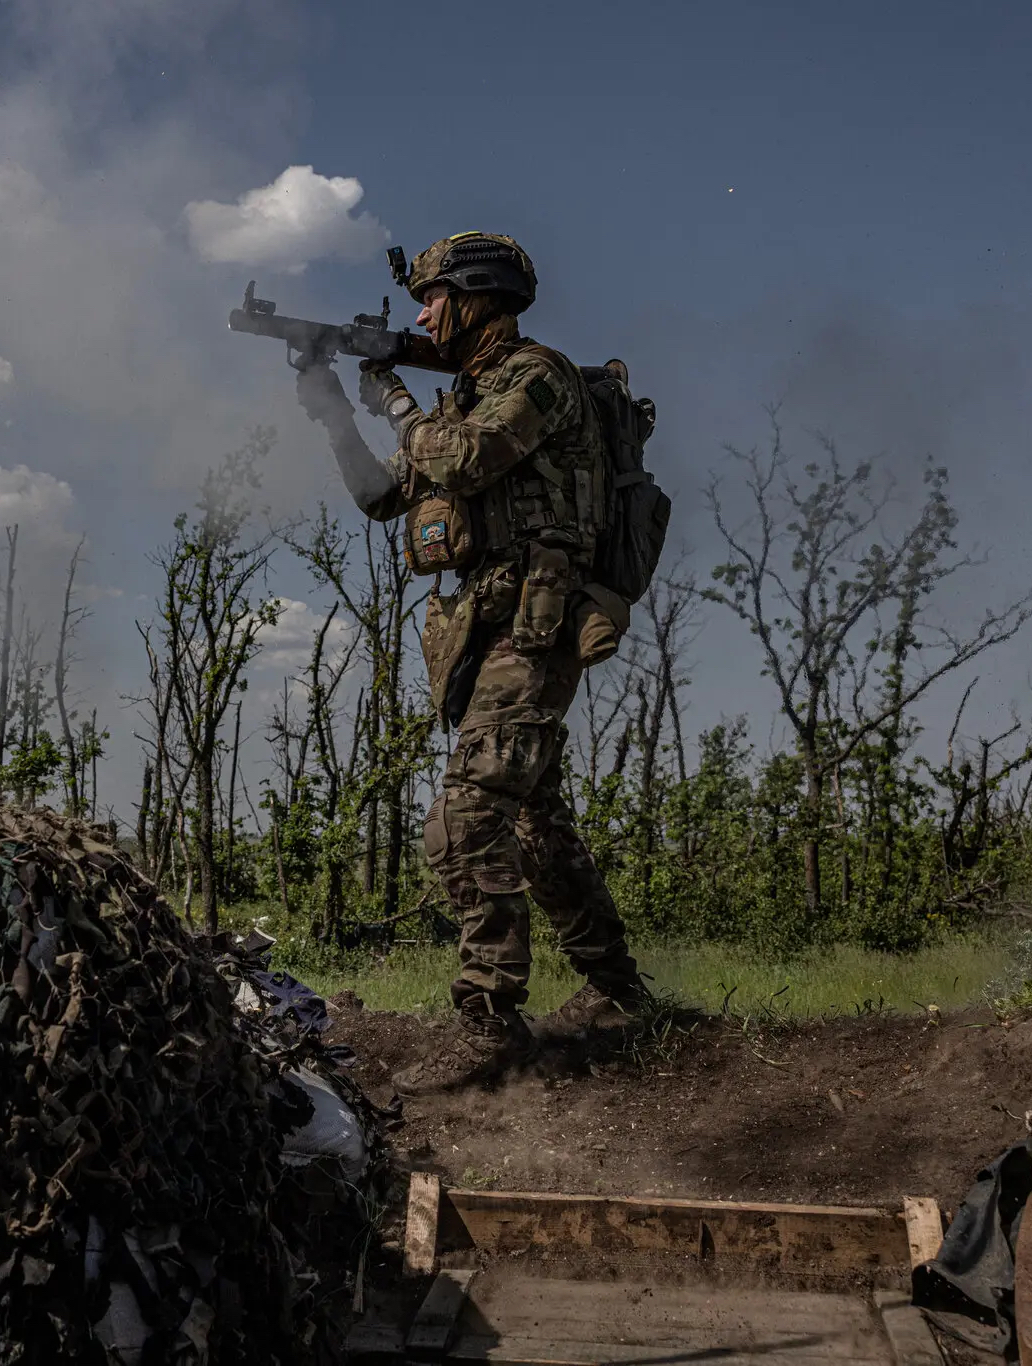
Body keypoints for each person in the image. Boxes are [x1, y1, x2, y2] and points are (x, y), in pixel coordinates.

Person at [294, 231, 647, 1095]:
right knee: (534, 827)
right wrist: (335, 402)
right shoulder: (464, 398)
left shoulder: (538, 376)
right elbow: (384, 497)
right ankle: (622, 994)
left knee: (462, 816)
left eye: (432, 298)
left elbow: (464, 457)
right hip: (489, 632)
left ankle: (490, 1020)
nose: (420, 314)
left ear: (477, 298)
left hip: (539, 626)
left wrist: (393, 399)